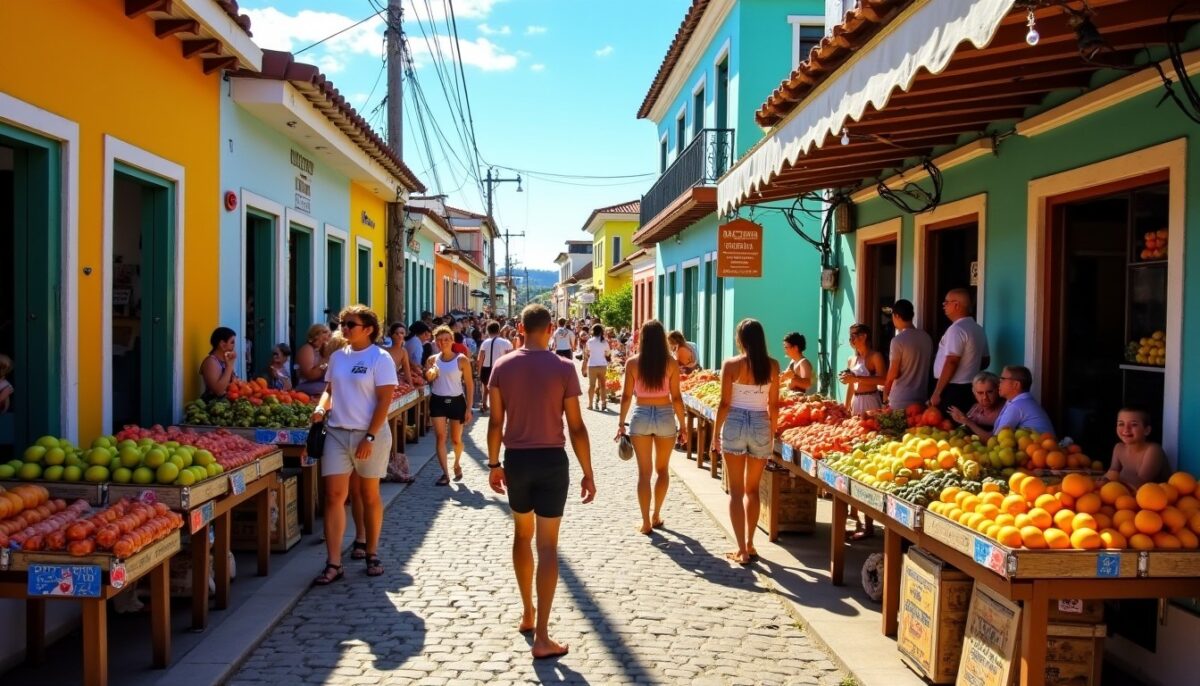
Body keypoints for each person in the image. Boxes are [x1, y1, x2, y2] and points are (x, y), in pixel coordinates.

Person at [487, 304, 595, 660]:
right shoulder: (563, 368)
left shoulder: (502, 367)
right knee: (547, 546)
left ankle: (527, 613)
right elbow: (576, 426)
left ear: (520, 328)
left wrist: (493, 464)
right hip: (552, 461)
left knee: (522, 536)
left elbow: (495, 423)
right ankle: (543, 636)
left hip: (517, 460)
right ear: (551, 329)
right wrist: (588, 472)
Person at [311, 305, 397, 584]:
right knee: (334, 496)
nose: (344, 328)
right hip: (337, 432)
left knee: (369, 495)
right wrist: (321, 407)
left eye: (351, 324)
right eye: (343, 324)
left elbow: (384, 400)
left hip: (369, 435)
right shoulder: (337, 357)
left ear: (368, 329)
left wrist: (370, 437)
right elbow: (330, 390)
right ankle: (334, 562)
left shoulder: (380, 358)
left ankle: (371, 553)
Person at [712, 318, 780, 566]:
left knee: (736, 491)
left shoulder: (731, 365)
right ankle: (750, 544)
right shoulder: (772, 365)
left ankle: (741, 549)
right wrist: (772, 432)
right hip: (761, 422)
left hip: (735, 421)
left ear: (740, 339)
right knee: (753, 490)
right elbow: (774, 404)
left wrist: (715, 434)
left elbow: (724, 403)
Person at [617, 319, 687, 535]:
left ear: (643, 339)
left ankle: (645, 522)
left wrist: (621, 423)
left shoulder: (633, 363)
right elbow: (676, 398)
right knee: (662, 470)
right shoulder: (671, 363)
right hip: (665, 414)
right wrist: (683, 425)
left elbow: (626, 396)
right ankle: (656, 514)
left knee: (644, 474)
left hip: (641, 415)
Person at [425, 325, 474, 485]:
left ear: (452, 340)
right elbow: (428, 379)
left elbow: (469, 385)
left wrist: (469, 409)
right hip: (438, 401)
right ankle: (445, 474)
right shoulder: (432, 360)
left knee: (456, 440)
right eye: (439, 340)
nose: (443, 343)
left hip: (456, 401)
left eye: (446, 339)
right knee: (440, 438)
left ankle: (457, 463)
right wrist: (431, 373)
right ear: (435, 342)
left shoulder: (461, 359)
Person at [930, 288, 990, 413]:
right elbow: (985, 361)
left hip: (952, 389)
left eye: (946, 302)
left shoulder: (956, 329)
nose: (944, 305)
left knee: (949, 423)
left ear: (956, 305)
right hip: (969, 387)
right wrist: (968, 368)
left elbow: (952, 361)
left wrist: (937, 392)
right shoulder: (977, 329)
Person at [883, 300, 932, 410]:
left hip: (900, 399)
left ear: (896, 316)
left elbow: (894, 372)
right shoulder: (926, 338)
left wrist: (886, 392)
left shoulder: (898, 340)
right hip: (921, 398)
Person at [1106, 407, 1169, 489]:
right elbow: (1112, 472)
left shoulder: (1153, 450)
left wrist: (1113, 477)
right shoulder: (1119, 448)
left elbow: (1142, 483)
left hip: (1153, 495)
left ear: (1147, 430)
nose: (1126, 429)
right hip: (1125, 493)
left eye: (1134, 425)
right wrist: (1103, 479)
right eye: (1121, 424)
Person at [987, 365, 1055, 440]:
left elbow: (996, 438)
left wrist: (975, 426)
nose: (999, 383)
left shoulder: (1017, 406)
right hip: (1043, 445)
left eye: (1002, 379)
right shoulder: (1023, 402)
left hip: (1040, 446)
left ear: (1016, 384)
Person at [840, 324, 886, 416]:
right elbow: (851, 385)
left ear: (864, 336)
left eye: (853, 336)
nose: (851, 340)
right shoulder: (851, 359)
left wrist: (857, 378)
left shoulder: (875, 356)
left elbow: (883, 380)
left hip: (870, 401)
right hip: (855, 401)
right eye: (850, 338)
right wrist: (846, 407)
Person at [947, 372, 1005, 439]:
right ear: (974, 392)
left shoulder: (1005, 410)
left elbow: (993, 440)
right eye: (980, 393)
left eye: (989, 392)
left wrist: (968, 422)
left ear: (998, 390)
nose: (985, 397)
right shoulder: (975, 408)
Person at [477, 321, 513, 414]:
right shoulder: (506, 342)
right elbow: (510, 358)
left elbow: (480, 358)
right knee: (499, 389)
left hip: (486, 368)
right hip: (500, 369)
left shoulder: (485, 342)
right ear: (498, 330)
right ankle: (498, 407)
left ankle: (484, 403)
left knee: (485, 388)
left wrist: (479, 372)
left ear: (488, 331)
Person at [200, 327, 238, 399]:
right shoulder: (211, 362)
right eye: (232, 342)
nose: (234, 346)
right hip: (213, 403)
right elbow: (219, 391)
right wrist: (229, 367)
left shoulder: (225, 361)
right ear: (222, 344)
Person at [295, 324, 332, 396]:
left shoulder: (322, 351)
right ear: (316, 335)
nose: (329, 334)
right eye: (324, 332)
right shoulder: (307, 349)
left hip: (319, 385)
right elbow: (310, 375)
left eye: (329, 332)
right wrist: (326, 361)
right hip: (306, 387)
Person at [583, 324, 611, 412]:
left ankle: (590, 404)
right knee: (603, 385)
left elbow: (587, 352)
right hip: (602, 365)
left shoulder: (590, 341)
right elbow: (608, 353)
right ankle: (603, 404)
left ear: (593, 331)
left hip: (592, 365)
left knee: (591, 385)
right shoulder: (604, 342)